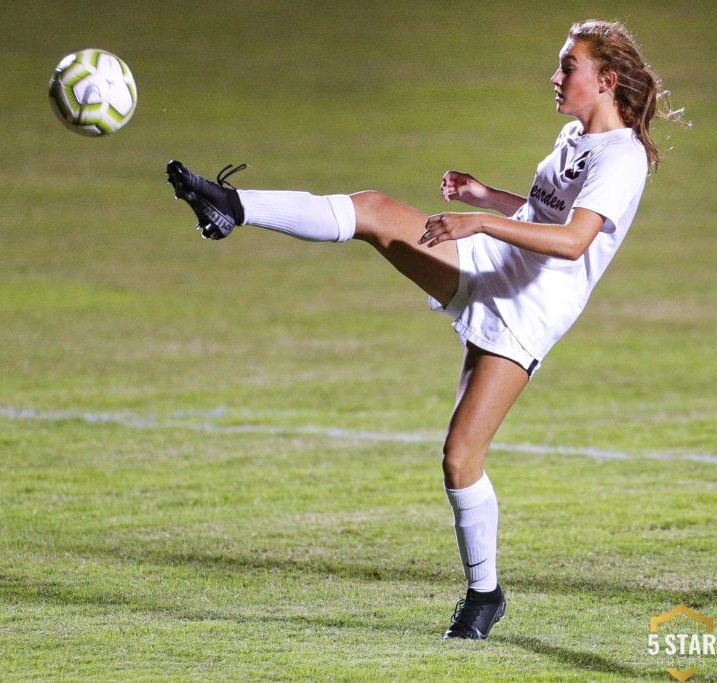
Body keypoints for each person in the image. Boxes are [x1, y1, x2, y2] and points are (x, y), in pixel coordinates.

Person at [166, 19, 685, 639]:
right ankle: (233, 207)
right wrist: (487, 197)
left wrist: (479, 222)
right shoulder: (575, 134)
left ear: (607, 80)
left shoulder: (622, 158)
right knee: (373, 211)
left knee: (461, 457)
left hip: (527, 308)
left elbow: (574, 241)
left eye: (566, 67)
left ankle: (485, 594)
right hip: (490, 264)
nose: (554, 77)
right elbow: (544, 212)